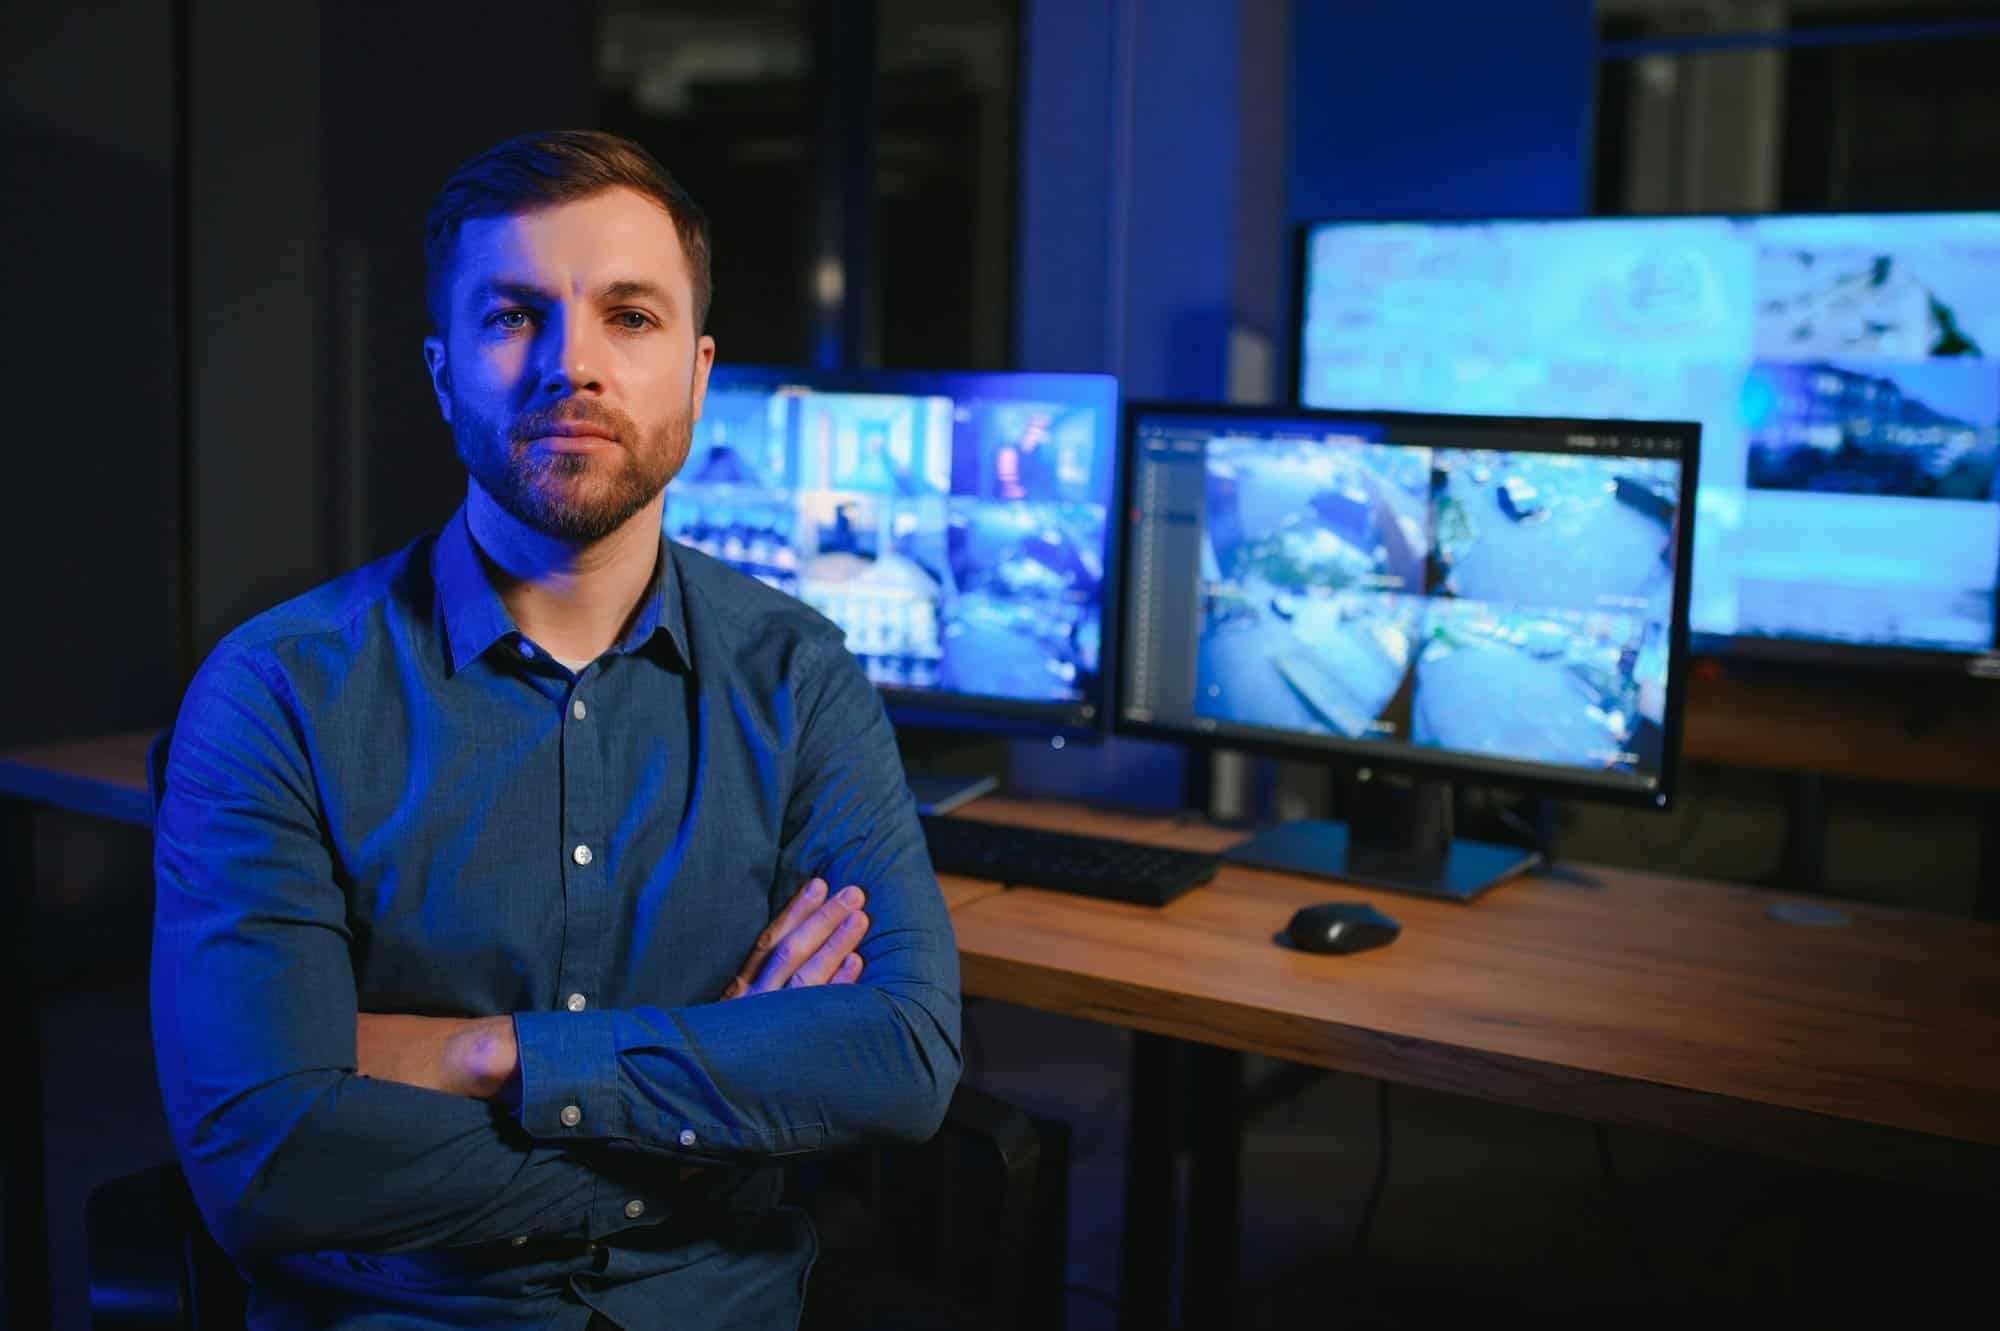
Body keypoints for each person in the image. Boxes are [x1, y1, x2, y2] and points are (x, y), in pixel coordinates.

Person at [151, 129, 962, 1330]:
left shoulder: (797, 673)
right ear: (441, 372)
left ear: (696, 372)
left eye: (628, 317)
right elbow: (267, 1163)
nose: (569, 365)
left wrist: (489, 1054)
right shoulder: (276, 690)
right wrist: (717, 1118)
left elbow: (898, 1058)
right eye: (513, 315)